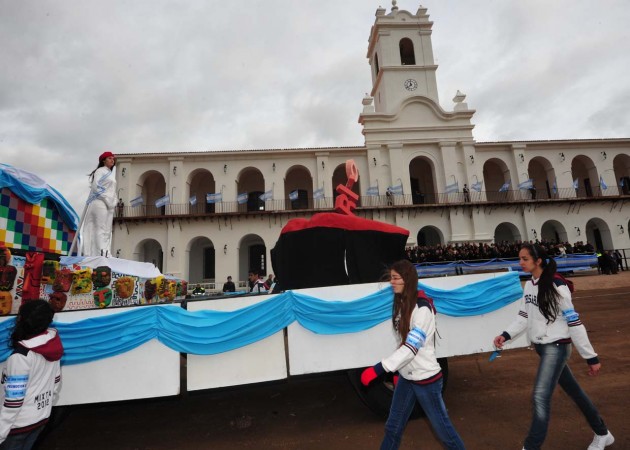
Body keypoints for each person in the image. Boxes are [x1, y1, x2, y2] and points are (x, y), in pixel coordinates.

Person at [493, 244, 613, 450]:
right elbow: (524, 316)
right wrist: (505, 334)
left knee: (540, 395)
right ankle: (603, 433)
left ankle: (531, 446)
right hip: (543, 347)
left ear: (538, 261)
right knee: (574, 392)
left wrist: (590, 357)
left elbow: (574, 322)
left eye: (524, 259)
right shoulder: (530, 284)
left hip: (556, 347)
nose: (520, 262)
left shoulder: (557, 285)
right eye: (520, 258)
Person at [361, 260, 465, 450]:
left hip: (427, 381)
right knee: (393, 427)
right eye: (390, 278)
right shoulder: (404, 304)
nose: (391, 282)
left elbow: (411, 348)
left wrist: (379, 368)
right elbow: (404, 345)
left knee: (444, 433)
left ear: (407, 280)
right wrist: (398, 371)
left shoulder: (422, 309)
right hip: (407, 379)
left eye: (395, 278)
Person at [0, 300, 63, 449]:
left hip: (17, 426)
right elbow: (56, 381)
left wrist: (1, 433)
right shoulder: (53, 344)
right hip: (40, 418)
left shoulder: (20, 357)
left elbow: (13, 402)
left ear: (22, 320)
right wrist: (44, 408)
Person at [81, 151, 117, 257]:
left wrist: (114, 200)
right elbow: (95, 187)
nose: (112, 160)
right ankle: (99, 252)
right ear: (103, 160)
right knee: (100, 227)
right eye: (109, 158)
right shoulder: (100, 171)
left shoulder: (110, 174)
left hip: (110, 204)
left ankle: (106, 251)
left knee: (107, 229)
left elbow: (112, 190)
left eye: (113, 158)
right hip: (100, 202)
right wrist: (106, 199)